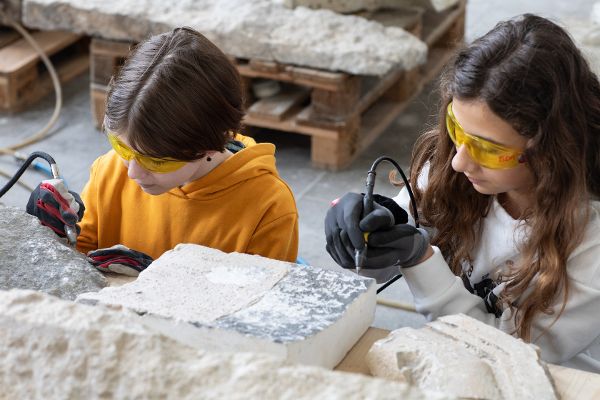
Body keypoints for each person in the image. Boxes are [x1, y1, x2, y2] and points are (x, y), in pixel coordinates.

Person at [325, 14, 600, 372]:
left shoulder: (590, 244)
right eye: (457, 127)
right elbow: (384, 267)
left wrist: (420, 258)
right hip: (452, 358)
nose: (459, 162)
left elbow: (505, 359)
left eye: (487, 147)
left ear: (551, 147)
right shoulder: (457, 171)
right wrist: (366, 238)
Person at [27, 27, 299, 275]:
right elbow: (79, 254)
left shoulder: (268, 208)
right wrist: (53, 232)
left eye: (156, 161)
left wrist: (161, 280)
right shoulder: (110, 170)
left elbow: (258, 313)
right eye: (121, 146)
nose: (132, 172)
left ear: (209, 145)